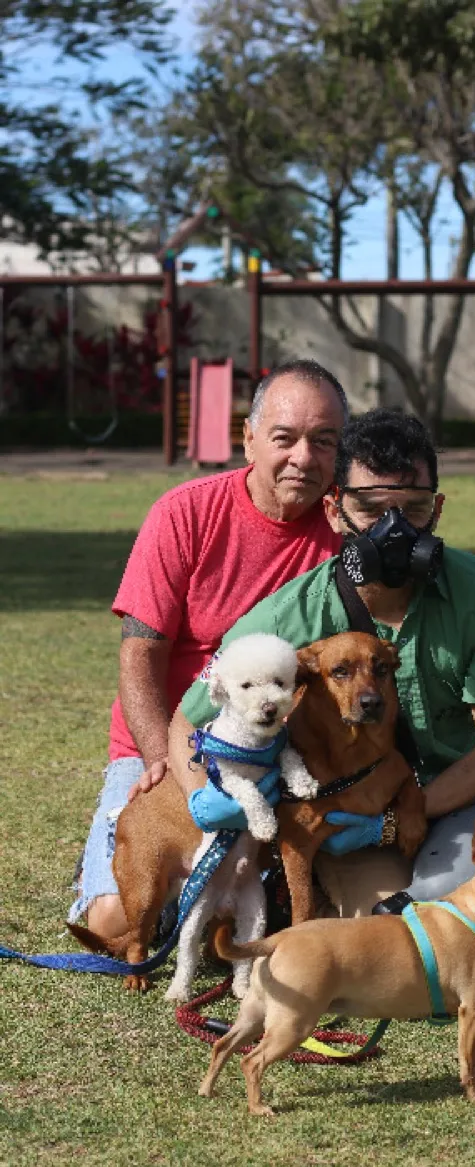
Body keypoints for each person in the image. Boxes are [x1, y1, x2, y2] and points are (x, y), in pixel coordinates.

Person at [171, 408, 475, 985]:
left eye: (414, 509)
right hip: (345, 825)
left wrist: (406, 812)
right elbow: (187, 721)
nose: (395, 529)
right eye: (370, 508)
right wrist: (207, 807)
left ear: (437, 509)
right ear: (334, 506)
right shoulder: (291, 617)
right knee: (416, 961)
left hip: (463, 808)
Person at [69, 359, 348, 939]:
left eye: (323, 441)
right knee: (115, 925)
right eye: (284, 438)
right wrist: (162, 763)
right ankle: (113, 862)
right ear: (248, 440)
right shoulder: (184, 512)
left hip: (279, 752)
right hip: (170, 745)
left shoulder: (347, 532)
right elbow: (140, 653)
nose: (304, 457)